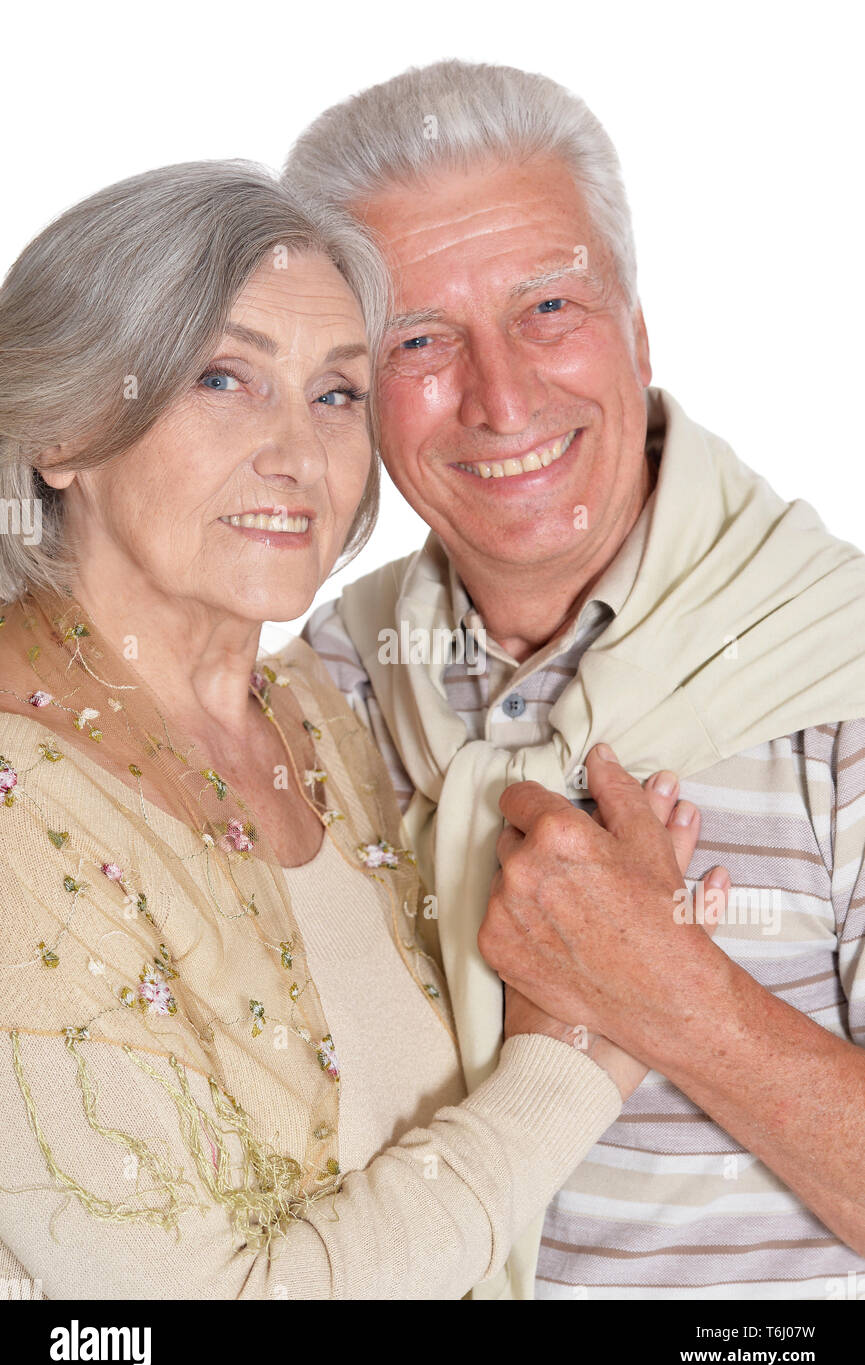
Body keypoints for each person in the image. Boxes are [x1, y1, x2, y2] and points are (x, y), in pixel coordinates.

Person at [0, 159, 718, 1300]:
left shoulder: (318, 715)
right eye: (223, 379)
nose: (299, 456)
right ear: (65, 430)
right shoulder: (19, 810)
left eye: (337, 393)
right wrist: (587, 1047)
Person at [288, 60, 865, 1299]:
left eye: (548, 306)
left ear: (638, 331)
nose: (500, 399)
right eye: (420, 340)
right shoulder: (315, 699)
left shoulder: (843, 670)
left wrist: (666, 994)